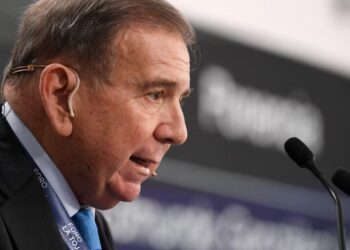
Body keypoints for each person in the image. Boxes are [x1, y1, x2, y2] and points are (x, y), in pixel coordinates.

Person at [0, 0, 196, 249]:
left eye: (180, 100)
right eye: (155, 94)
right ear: (60, 96)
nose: (179, 133)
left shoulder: (90, 226)